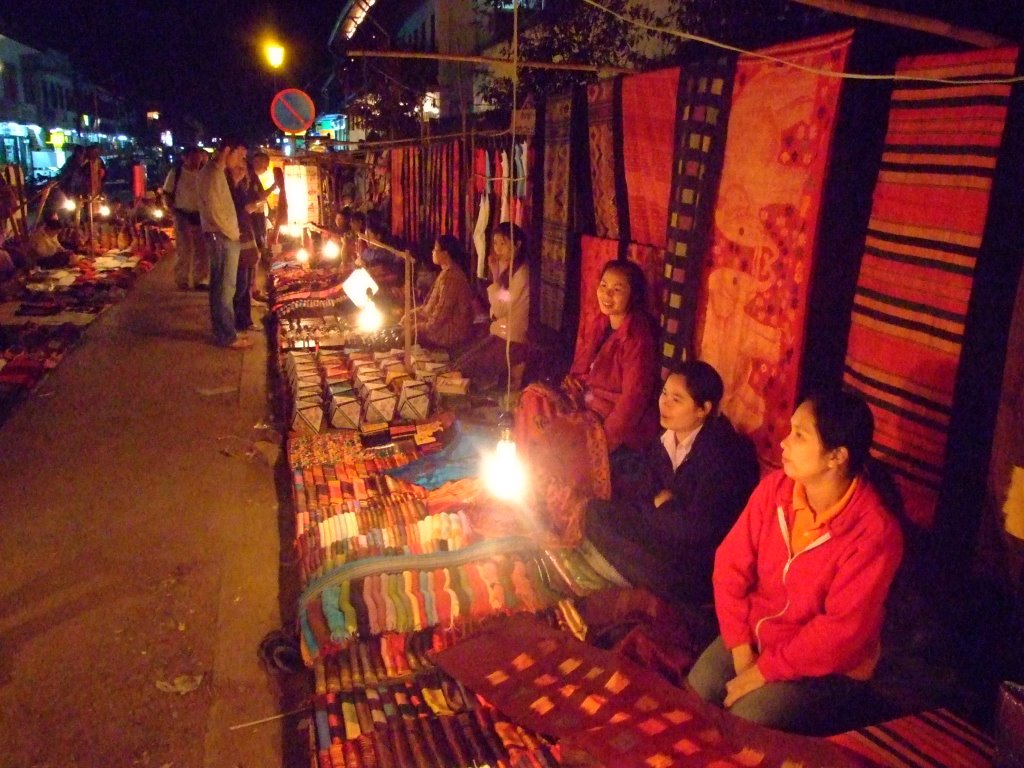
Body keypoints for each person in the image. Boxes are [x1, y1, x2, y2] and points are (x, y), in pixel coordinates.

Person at [687, 390, 904, 735]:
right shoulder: (775, 491)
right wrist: (742, 652)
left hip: (825, 667)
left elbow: (838, 633)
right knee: (693, 699)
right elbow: (729, 567)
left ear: (836, 457)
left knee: (743, 724)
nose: (784, 443)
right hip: (757, 637)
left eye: (800, 435)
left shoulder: (874, 533)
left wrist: (762, 672)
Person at [582, 361, 760, 605]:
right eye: (664, 393)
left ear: (703, 409)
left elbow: (698, 530)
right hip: (663, 537)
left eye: (676, 399)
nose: (663, 403)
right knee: (594, 512)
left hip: (697, 562)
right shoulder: (665, 439)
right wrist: (663, 507)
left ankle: (652, 589)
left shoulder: (725, 454)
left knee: (667, 574)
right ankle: (635, 577)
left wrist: (662, 506)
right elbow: (644, 496)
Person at [517, 259, 659, 457]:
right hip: (585, 401)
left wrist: (603, 442)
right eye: (603, 285)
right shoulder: (602, 321)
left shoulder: (636, 337)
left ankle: (552, 482)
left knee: (553, 434)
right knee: (532, 399)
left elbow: (634, 399)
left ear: (633, 295)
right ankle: (531, 473)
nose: (607, 294)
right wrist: (572, 381)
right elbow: (583, 367)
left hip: (607, 418)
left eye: (617, 289)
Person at [455, 222, 529, 390]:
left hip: (512, 339)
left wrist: (495, 278)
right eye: (495, 243)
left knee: (465, 370)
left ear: (517, 244)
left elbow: (500, 309)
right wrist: (496, 274)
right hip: (500, 332)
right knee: (460, 363)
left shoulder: (521, 274)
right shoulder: (509, 268)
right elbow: (498, 306)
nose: (498, 249)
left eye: (503, 243)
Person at [198, 136, 251, 350]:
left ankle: (224, 331)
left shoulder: (216, 173)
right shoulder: (211, 174)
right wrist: (232, 233)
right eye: (240, 155)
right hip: (222, 237)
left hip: (222, 236)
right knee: (224, 288)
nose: (240, 161)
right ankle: (227, 336)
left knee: (221, 287)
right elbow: (215, 211)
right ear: (228, 150)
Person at [407, 234, 475, 351]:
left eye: (435, 249)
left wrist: (418, 328)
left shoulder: (452, 277)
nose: (432, 252)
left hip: (450, 333)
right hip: (440, 325)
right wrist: (411, 314)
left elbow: (441, 314)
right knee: (405, 324)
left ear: (445, 253)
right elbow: (429, 307)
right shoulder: (446, 272)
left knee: (406, 336)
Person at [164, 147, 209, 290]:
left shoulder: (204, 173)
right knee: (184, 249)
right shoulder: (176, 173)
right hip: (182, 214)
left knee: (201, 250)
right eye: (193, 157)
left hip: (200, 215)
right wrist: (172, 211)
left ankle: (200, 279)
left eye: (199, 157)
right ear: (185, 158)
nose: (197, 160)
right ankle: (182, 279)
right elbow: (167, 193)